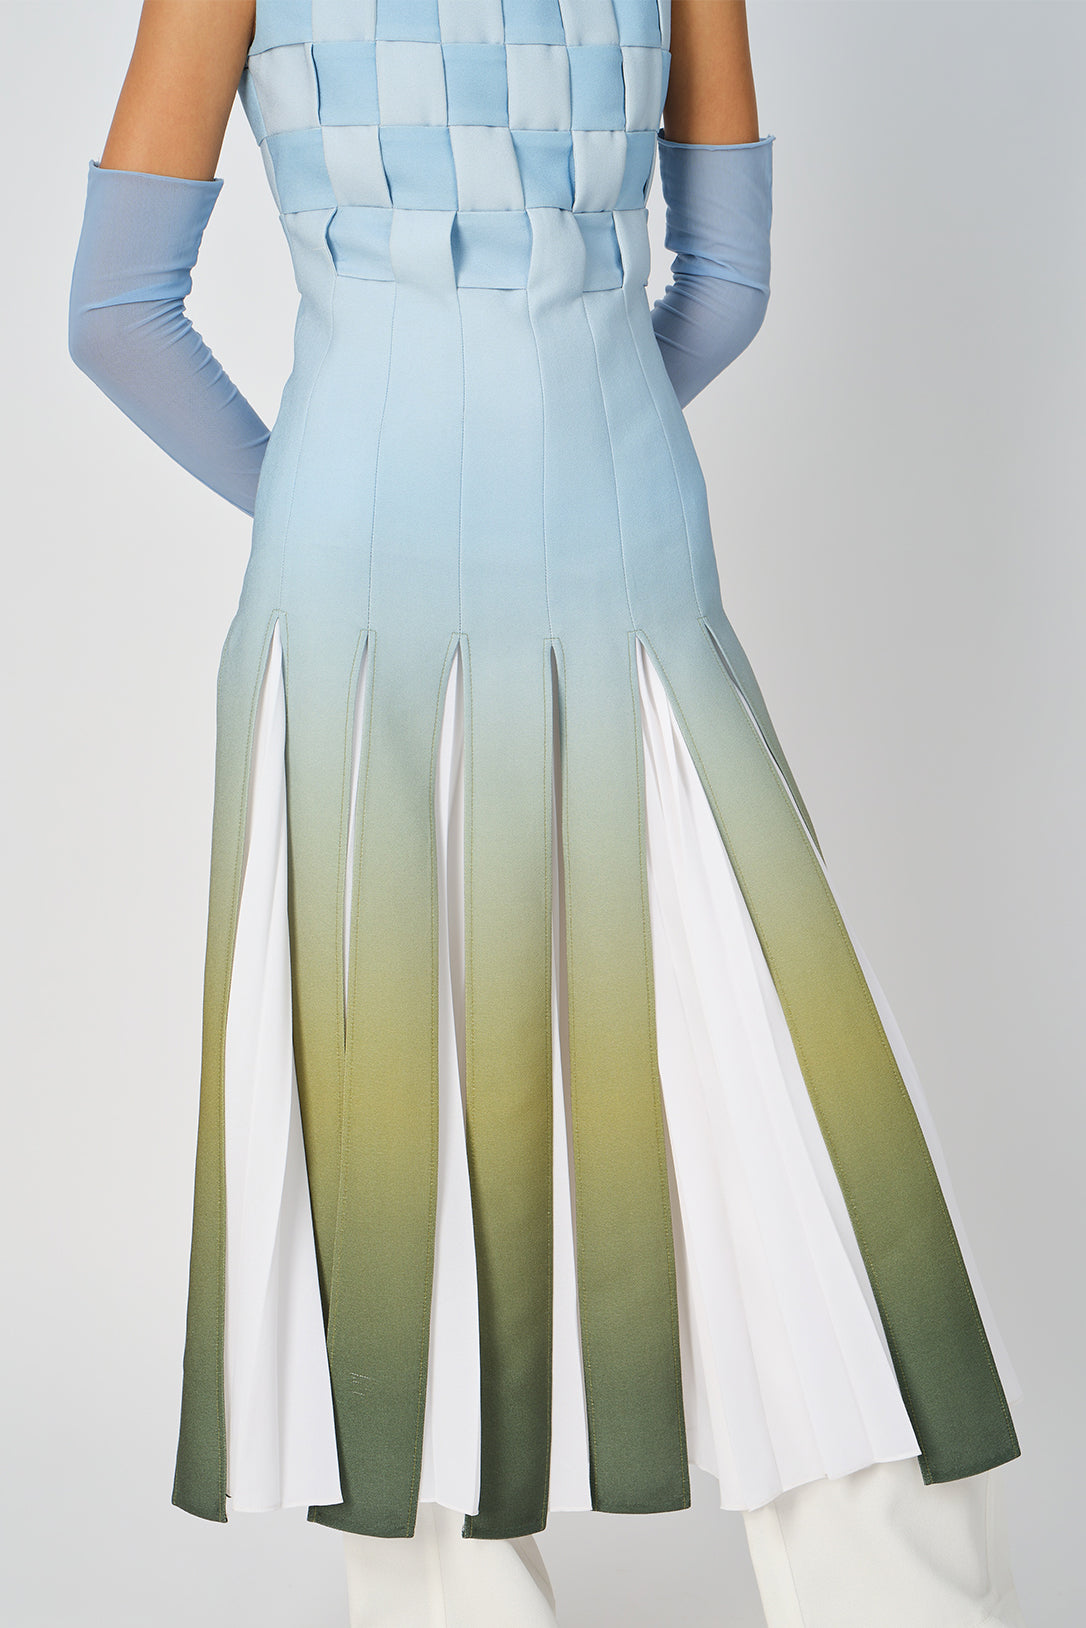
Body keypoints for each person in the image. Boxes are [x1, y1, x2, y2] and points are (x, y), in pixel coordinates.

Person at [68, 3, 1028, 1624]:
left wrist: (338, 482)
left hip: (365, 593)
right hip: (613, 555)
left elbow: (116, 316)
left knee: (401, 1131)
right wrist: (575, 438)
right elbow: (724, 282)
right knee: (790, 1137)